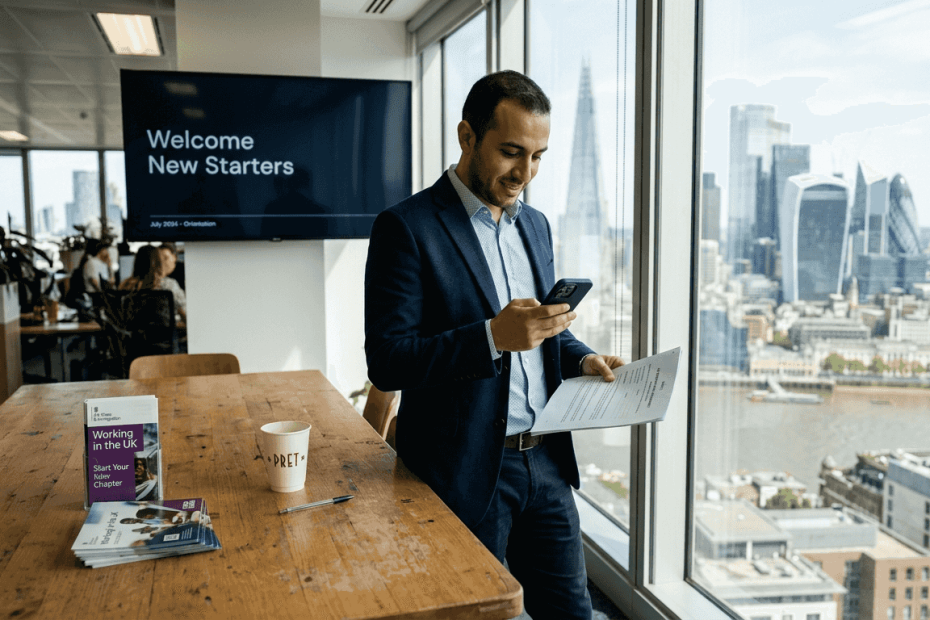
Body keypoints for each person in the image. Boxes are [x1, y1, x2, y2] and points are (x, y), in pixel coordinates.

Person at [364, 70, 623, 619]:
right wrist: (490, 338)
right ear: (467, 137)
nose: (525, 173)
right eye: (511, 152)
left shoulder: (537, 225)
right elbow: (388, 361)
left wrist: (581, 358)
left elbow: (545, 330)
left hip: (547, 463)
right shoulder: (405, 228)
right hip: (461, 472)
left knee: (572, 614)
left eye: (538, 156)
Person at [157, 243, 186, 317]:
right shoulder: (161, 281)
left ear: (175, 257)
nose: (161, 262)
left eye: (165, 258)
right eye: (158, 258)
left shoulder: (185, 271)